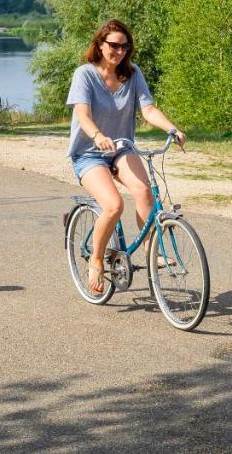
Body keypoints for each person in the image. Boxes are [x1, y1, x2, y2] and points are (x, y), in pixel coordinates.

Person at [68, 19, 185, 294]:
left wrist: (172, 128)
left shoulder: (133, 75)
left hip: (120, 148)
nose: (119, 51)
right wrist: (97, 135)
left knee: (145, 191)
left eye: (124, 46)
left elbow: (149, 110)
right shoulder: (84, 74)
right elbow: (82, 115)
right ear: (100, 44)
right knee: (113, 205)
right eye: (113, 45)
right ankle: (96, 259)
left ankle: (150, 251)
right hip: (89, 153)